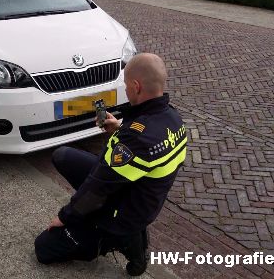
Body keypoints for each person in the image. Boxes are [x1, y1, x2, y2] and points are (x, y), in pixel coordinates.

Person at [34, 53, 187, 276]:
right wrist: (118, 127)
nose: (125, 89)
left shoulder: (138, 139)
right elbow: (143, 145)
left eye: (125, 85)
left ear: (136, 87)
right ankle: (118, 228)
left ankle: (121, 240)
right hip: (135, 190)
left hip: (122, 214)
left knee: (43, 248)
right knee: (63, 156)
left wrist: (65, 216)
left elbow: (98, 188)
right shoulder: (172, 118)